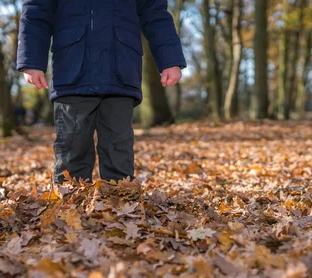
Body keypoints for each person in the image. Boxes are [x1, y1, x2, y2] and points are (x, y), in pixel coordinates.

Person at [17, 1, 186, 185]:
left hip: (120, 70)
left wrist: (170, 59)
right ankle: (70, 205)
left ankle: (121, 203)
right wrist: (31, 61)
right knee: (72, 147)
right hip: (72, 70)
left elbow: (155, 13)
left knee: (119, 149)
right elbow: (37, 11)